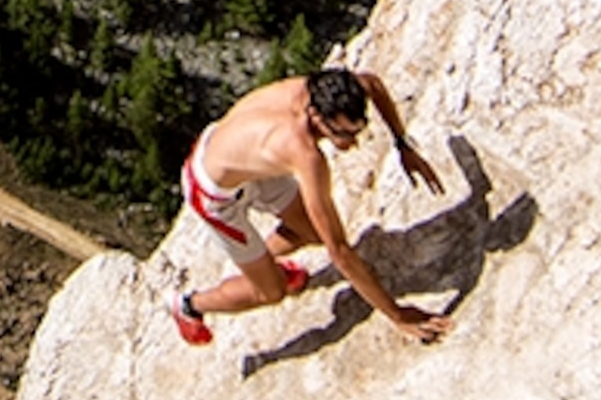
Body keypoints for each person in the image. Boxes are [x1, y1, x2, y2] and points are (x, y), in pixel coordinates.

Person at [166, 64, 449, 345]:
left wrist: (403, 145)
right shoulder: (304, 153)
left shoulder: (326, 91)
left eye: (357, 131)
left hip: (240, 154)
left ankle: (260, 261)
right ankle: (189, 305)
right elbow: (338, 251)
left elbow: (372, 84)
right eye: (343, 134)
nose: (352, 143)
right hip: (212, 192)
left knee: (311, 231)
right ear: (316, 117)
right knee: (271, 292)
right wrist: (397, 315)